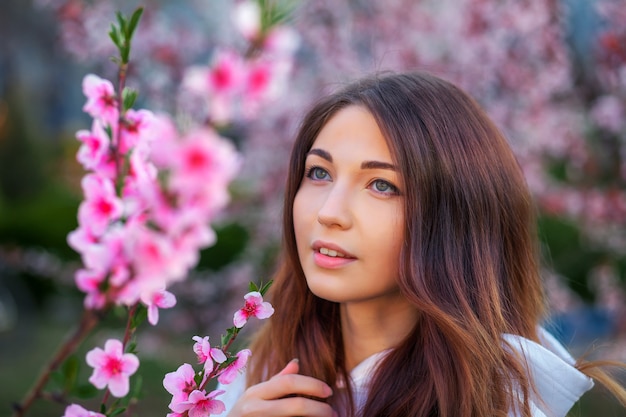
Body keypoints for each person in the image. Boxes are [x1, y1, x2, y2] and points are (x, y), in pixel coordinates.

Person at [218, 71, 626, 416]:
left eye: (382, 185)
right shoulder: (254, 379)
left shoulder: (498, 399)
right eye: (319, 173)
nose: (329, 212)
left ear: (453, 218)